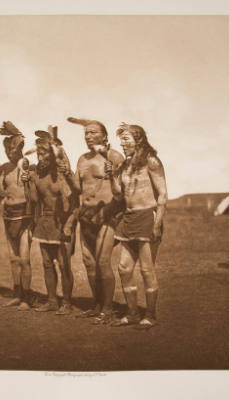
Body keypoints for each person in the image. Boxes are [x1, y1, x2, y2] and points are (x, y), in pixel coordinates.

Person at [61, 117, 124, 324]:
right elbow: (78, 188)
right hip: (86, 216)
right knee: (88, 263)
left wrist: (116, 212)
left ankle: (108, 308)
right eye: (86, 133)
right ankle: (97, 305)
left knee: (103, 262)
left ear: (104, 136)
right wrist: (67, 174)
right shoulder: (82, 159)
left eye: (93, 132)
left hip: (106, 217)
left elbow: (123, 189)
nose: (88, 136)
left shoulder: (114, 156)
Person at [105, 123, 168, 329]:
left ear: (138, 139)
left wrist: (157, 224)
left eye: (126, 139)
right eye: (121, 139)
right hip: (128, 219)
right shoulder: (125, 165)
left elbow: (163, 195)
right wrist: (112, 175)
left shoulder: (151, 161)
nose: (122, 144)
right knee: (124, 268)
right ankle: (132, 314)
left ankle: (150, 315)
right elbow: (117, 195)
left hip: (146, 218)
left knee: (147, 270)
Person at [21, 129, 76, 315]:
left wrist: (68, 226)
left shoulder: (63, 173)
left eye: (44, 152)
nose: (40, 156)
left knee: (63, 263)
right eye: (39, 152)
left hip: (63, 220)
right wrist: (28, 183)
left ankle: (67, 303)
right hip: (45, 221)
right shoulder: (36, 174)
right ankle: (52, 300)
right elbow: (35, 200)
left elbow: (75, 203)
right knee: (46, 262)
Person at [0, 121, 34, 310]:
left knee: (24, 259)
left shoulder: (24, 164)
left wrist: (17, 138)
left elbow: (22, 158)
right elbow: (1, 194)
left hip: (24, 216)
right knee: (13, 259)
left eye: (13, 148)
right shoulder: (3, 168)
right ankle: (17, 294)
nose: (10, 152)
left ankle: (27, 297)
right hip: (8, 216)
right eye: (7, 149)